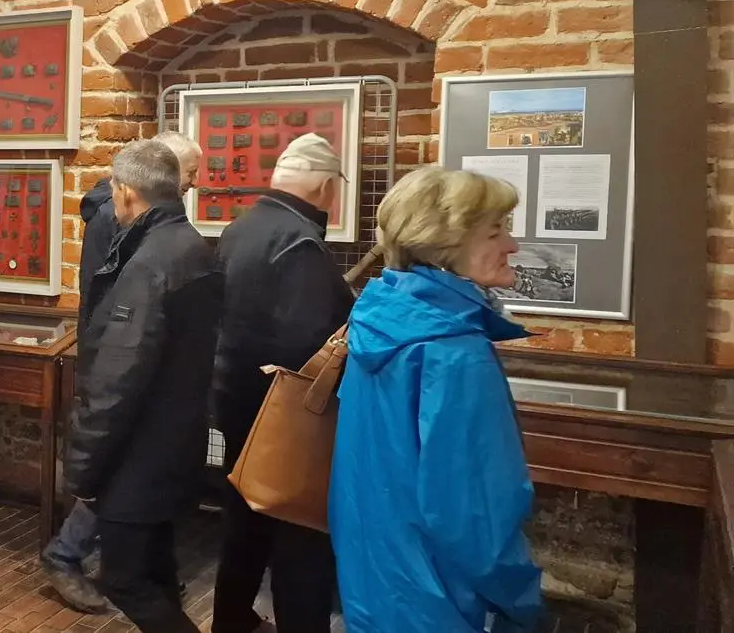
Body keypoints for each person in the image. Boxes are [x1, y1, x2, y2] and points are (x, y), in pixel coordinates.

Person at [330, 166, 543, 633]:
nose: (512, 245)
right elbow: (477, 517)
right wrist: (524, 601)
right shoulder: (453, 352)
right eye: (496, 231)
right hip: (446, 603)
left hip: (377, 583)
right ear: (446, 248)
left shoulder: (381, 320)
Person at [63, 140, 223, 633]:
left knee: (126, 578)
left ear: (126, 192)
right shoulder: (191, 246)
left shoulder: (150, 265)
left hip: (140, 455)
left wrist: (83, 467)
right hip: (175, 442)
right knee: (157, 570)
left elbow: (117, 378)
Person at [209, 134, 351, 633]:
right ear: (326, 187)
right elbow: (307, 346)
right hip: (285, 419)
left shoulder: (240, 228)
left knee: (243, 521)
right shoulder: (302, 243)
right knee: (299, 541)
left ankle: (230, 619)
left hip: (236, 401)